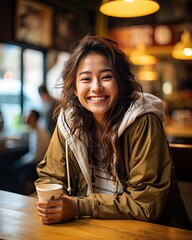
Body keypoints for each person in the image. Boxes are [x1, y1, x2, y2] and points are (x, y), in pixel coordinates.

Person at [35, 35, 191, 229]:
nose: (96, 88)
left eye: (106, 77)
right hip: (89, 229)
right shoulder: (69, 122)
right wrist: (53, 203)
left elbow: (146, 204)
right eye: (86, 79)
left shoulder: (143, 121)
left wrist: (78, 207)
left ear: (121, 82)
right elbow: (51, 175)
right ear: (74, 88)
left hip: (153, 231)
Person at [11, 110, 51, 195]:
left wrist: (23, 160)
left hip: (39, 163)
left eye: (27, 116)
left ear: (34, 118)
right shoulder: (34, 130)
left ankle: (19, 193)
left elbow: (36, 156)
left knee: (15, 168)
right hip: (37, 160)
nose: (24, 118)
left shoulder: (39, 133)